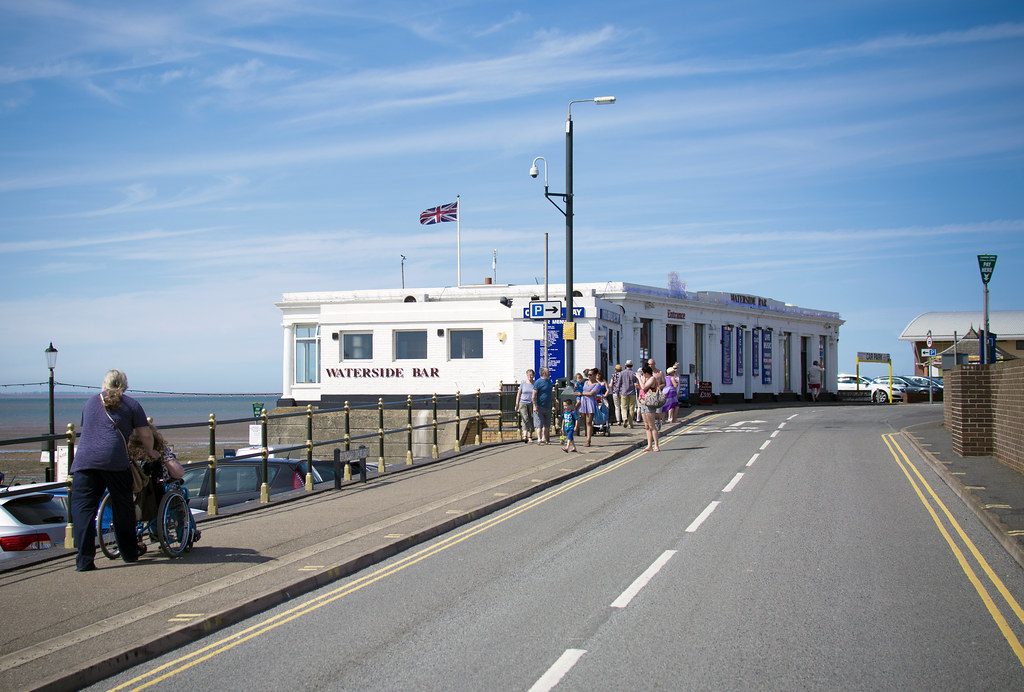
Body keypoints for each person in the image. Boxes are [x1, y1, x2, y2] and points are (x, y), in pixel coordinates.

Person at [69, 370, 159, 571]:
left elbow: (90, 430)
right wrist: (150, 451)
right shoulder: (131, 405)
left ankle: (84, 561)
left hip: (85, 461)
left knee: (83, 509)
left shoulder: (91, 402)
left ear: (104, 384)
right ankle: (129, 553)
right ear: (124, 386)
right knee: (123, 506)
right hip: (114, 461)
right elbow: (145, 434)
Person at [637, 363, 662, 452]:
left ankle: (656, 445)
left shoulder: (652, 379)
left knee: (652, 426)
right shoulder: (646, 379)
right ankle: (649, 445)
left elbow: (644, 387)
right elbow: (642, 388)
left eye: (643, 373)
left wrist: (639, 378)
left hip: (650, 404)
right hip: (643, 403)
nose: (643, 375)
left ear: (647, 373)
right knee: (647, 426)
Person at [532, 367, 554, 445]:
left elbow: (551, 392)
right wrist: (534, 405)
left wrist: (555, 402)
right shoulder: (538, 382)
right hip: (539, 406)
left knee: (547, 424)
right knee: (539, 424)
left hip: (547, 405)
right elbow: (534, 394)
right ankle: (539, 439)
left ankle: (545, 439)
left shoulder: (549, 382)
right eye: (548, 372)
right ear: (544, 373)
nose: (549, 373)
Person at [578, 370, 599, 447]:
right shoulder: (586, 382)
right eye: (588, 375)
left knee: (589, 422)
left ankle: (588, 440)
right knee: (584, 421)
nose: (589, 376)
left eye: (590, 375)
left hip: (590, 402)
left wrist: (581, 393)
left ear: (595, 375)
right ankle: (587, 433)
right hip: (584, 402)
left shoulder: (597, 384)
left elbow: (591, 393)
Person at [517, 369, 536, 443]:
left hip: (531, 403)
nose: (530, 376)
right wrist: (516, 404)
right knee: (525, 418)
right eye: (528, 375)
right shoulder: (523, 383)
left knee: (531, 418)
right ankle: (524, 435)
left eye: (531, 375)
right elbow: (519, 394)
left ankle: (530, 436)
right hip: (523, 402)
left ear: (533, 375)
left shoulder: (535, 384)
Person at [648, 358, 667, 431]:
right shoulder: (647, 373)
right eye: (649, 364)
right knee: (650, 411)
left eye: (651, 364)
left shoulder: (660, 372)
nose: (650, 365)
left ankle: (658, 420)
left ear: (654, 364)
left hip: (658, 394)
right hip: (649, 394)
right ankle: (652, 425)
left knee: (658, 411)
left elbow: (664, 383)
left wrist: (659, 387)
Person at [618, 360, 637, 428]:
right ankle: (630, 423)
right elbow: (636, 384)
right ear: (632, 366)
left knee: (624, 407)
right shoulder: (634, 373)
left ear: (625, 365)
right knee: (631, 408)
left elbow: (619, 383)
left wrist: (617, 391)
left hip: (624, 392)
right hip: (632, 392)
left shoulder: (622, 373)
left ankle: (624, 418)